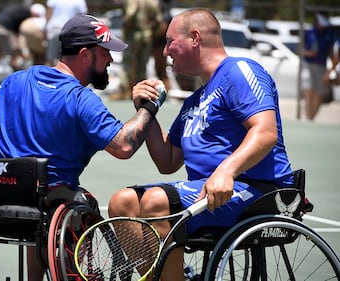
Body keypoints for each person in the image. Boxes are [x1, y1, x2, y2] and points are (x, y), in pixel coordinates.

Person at [0, 14, 166, 281]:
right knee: (78, 201)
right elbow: (124, 146)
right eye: (105, 53)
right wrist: (149, 107)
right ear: (85, 55)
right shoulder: (80, 99)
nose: (111, 60)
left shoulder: (16, 81)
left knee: (40, 197)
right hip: (47, 200)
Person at [108, 8, 294, 281]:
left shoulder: (239, 71)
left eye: (171, 41)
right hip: (210, 193)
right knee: (121, 203)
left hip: (258, 190)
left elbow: (265, 132)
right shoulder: (194, 101)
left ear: (194, 38)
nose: (165, 51)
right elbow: (168, 161)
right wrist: (146, 111)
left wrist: (225, 171)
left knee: (157, 202)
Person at [109, 0, 163, 100]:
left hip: (134, 34)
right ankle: (142, 91)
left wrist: (125, 31)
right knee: (142, 65)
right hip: (147, 35)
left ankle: (124, 90)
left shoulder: (133, 1)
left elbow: (130, 14)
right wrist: (152, 33)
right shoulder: (152, 2)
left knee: (127, 64)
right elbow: (158, 19)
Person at [0, 3, 43, 84]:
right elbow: (21, 32)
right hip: (4, 30)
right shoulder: (26, 14)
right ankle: (18, 78)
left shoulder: (18, 9)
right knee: (13, 54)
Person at [302, 13, 336, 120]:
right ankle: (308, 119)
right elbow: (299, 49)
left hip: (321, 66)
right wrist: (308, 53)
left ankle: (311, 118)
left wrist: (330, 71)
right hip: (308, 64)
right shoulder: (308, 33)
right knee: (309, 90)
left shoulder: (329, 35)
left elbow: (333, 55)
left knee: (319, 94)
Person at [44, 0, 87, 66]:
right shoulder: (80, 1)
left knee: (50, 59)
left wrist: (45, 28)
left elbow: (49, 13)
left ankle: (47, 76)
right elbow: (83, 16)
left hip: (55, 28)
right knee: (68, 60)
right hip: (70, 31)